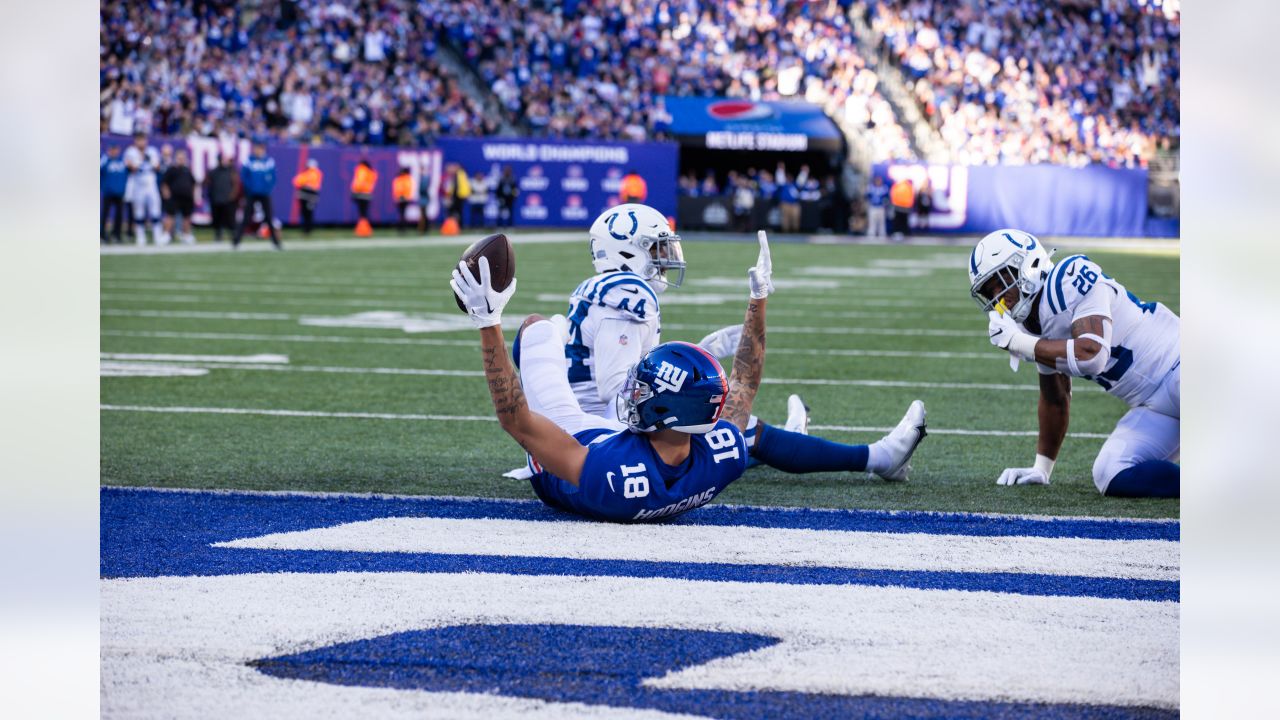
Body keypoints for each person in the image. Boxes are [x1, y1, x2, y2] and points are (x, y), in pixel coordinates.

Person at [502, 203, 926, 484]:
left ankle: (845, 451)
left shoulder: (605, 288)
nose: (666, 255)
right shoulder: (629, 294)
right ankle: (875, 458)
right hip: (598, 435)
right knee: (731, 425)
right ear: (628, 253)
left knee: (722, 423)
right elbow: (621, 391)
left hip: (580, 423)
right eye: (656, 247)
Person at [451, 232, 774, 523]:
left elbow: (517, 422)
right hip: (639, 444)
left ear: (664, 411)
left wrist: (487, 321)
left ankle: (551, 331)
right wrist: (758, 298)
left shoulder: (614, 472)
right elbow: (744, 381)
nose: (631, 393)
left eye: (642, 389)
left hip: (567, 451)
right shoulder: (723, 456)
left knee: (537, 327)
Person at [970, 229, 1180, 497]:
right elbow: (1056, 398)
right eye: (990, 292)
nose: (999, 297)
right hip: (1154, 406)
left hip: (1182, 365)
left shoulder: (1068, 278)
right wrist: (1041, 468)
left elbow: (1092, 355)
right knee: (1110, 472)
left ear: (1027, 265)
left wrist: (1021, 344)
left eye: (1001, 281)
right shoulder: (1029, 325)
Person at [234, 141, 282, 249]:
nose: (258, 151)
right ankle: (236, 241)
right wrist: (249, 188)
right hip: (251, 193)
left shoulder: (269, 161)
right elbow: (244, 176)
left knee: (269, 218)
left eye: (260, 148)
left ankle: (275, 242)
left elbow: (273, 177)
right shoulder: (249, 161)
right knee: (246, 218)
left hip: (265, 193)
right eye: (256, 148)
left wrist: (267, 189)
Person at [123, 132, 165, 246]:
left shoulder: (152, 151)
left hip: (151, 184)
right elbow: (131, 167)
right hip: (138, 184)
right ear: (135, 141)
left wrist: (148, 160)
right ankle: (140, 237)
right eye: (139, 140)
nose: (141, 142)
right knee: (139, 212)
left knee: (155, 210)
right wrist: (141, 160)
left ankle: (157, 236)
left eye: (143, 139)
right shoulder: (130, 152)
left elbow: (157, 167)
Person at [160, 148, 197, 245]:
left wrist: (194, 195)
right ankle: (166, 235)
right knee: (170, 216)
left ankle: (186, 235)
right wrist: (166, 193)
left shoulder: (187, 170)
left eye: (183, 158)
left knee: (187, 217)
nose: (181, 160)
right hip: (174, 197)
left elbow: (193, 183)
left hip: (186, 197)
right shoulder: (171, 169)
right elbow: (164, 183)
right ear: (175, 158)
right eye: (179, 158)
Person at [205, 154, 238, 242]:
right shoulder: (213, 171)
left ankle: (233, 235)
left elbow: (236, 184)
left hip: (228, 199)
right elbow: (207, 182)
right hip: (216, 198)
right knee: (217, 219)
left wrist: (233, 195)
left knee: (230, 218)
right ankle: (218, 235)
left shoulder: (231, 171)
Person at [100, 144, 129, 244]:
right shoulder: (105, 160)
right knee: (105, 214)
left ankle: (117, 235)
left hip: (120, 192)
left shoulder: (123, 161)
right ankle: (102, 235)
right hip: (108, 192)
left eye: (115, 149)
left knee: (119, 215)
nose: (114, 152)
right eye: (112, 149)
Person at [291, 158, 323, 236]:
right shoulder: (307, 173)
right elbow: (296, 181)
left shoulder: (315, 173)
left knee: (308, 213)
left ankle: (308, 229)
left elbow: (300, 181)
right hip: (305, 196)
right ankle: (306, 229)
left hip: (310, 196)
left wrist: (304, 183)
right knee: (305, 213)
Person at [350, 158, 378, 234]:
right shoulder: (371, 172)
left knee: (362, 213)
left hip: (360, 194)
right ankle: (366, 229)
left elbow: (359, 182)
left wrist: (354, 191)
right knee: (365, 213)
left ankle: (362, 230)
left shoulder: (362, 170)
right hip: (368, 194)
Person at [889, 176, 914, 240]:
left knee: (900, 221)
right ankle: (902, 233)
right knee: (901, 221)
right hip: (903, 207)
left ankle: (900, 233)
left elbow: (893, 195)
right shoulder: (907, 186)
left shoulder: (899, 186)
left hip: (900, 206)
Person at [391, 165, 414, 234]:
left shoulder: (405, 178)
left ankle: (402, 228)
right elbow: (396, 189)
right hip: (401, 198)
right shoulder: (401, 178)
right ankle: (401, 228)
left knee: (402, 214)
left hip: (404, 198)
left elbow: (407, 188)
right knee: (402, 214)